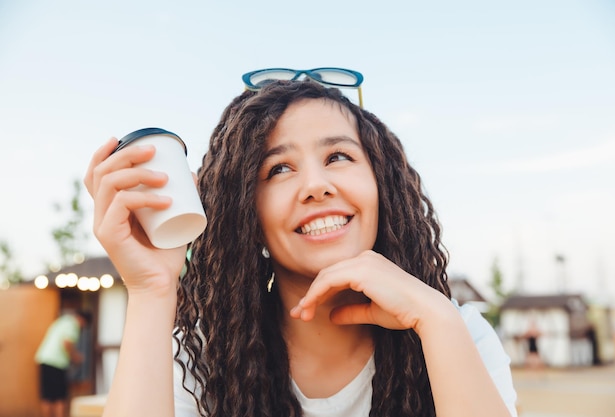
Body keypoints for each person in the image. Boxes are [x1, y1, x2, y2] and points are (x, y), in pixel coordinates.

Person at [84, 68, 518, 417]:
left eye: (338, 157)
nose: (315, 185)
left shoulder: (459, 335)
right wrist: (151, 290)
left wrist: (436, 321)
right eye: (278, 169)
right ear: (245, 215)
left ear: (383, 186)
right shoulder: (199, 360)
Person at [35, 309, 92, 417]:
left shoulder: (64, 321)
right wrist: (76, 357)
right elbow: (66, 343)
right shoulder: (72, 325)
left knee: (47, 396)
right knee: (59, 397)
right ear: (82, 320)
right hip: (56, 363)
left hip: (45, 359)